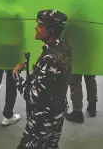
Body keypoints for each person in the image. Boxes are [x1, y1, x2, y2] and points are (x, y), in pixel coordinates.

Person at [13, 9, 72, 149]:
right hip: (57, 113)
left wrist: (16, 75)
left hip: (43, 119)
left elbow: (32, 96)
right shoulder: (64, 48)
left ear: (51, 30)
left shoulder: (50, 58)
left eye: (40, 25)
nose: (36, 27)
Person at [62, 8, 98, 123]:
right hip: (87, 56)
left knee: (75, 83)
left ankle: (77, 112)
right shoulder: (89, 23)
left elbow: (64, 39)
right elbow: (95, 38)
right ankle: (92, 106)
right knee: (90, 80)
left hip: (74, 57)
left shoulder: (69, 25)